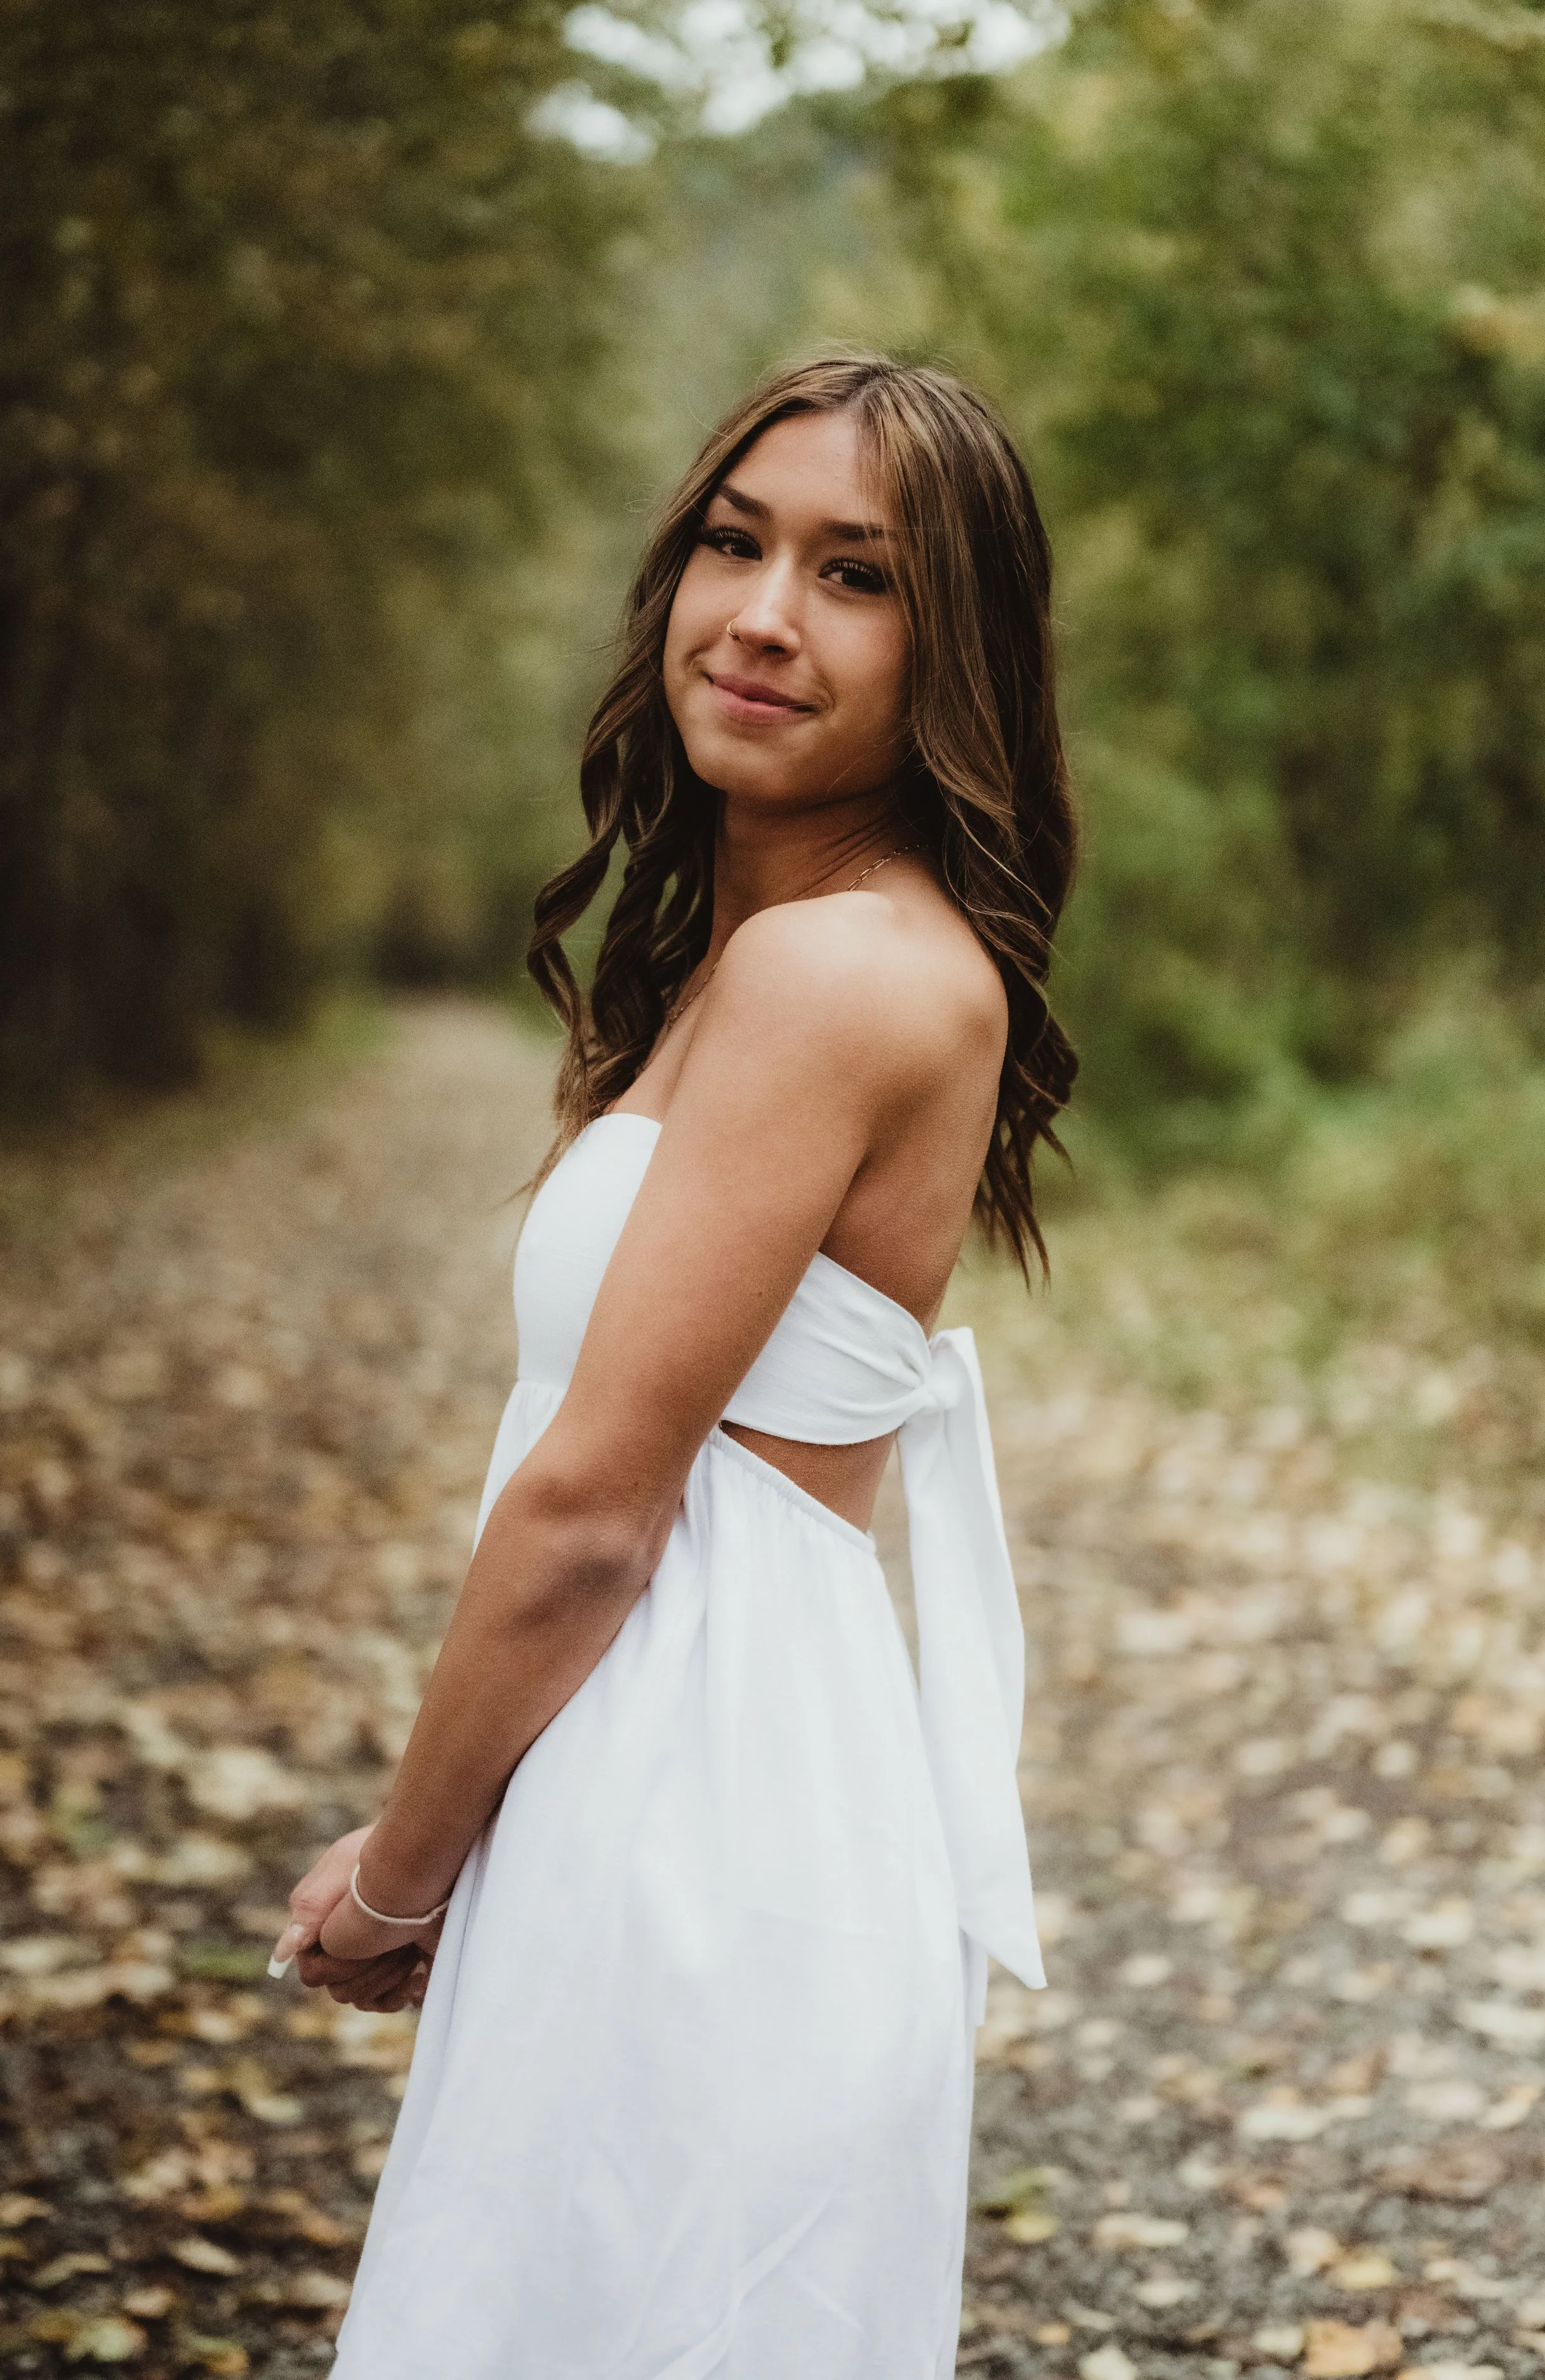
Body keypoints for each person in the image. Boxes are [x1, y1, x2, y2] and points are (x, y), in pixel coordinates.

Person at [271, 353, 1078, 2379]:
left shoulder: (835, 974)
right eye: (734, 541)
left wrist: (396, 1875)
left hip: (705, 1838)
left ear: (953, 646)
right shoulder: (787, 953)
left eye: (855, 576)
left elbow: (588, 1513)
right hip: (685, 1802)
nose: (760, 615)